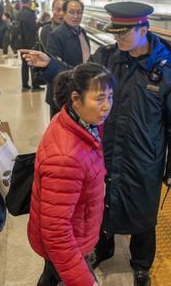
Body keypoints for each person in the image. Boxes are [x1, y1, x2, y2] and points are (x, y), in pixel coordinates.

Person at [21, 2, 171, 286]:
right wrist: (50, 65)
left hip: (144, 156)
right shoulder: (107, 57)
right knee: (102, 203)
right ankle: (102, 248)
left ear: (144, 29)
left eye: (124, 32)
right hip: (107, 149)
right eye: (115, 32)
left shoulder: (169, 70)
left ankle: (141, 265)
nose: (117, 38)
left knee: (143, 211)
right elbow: (78, 77)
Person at [28, 63, 113, 286]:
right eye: (99, 99)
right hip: (69, 243)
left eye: (110, 97)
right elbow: (56, 233)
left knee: (51, 275)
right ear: (76, 99)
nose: (107, 106)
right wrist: (86, 281)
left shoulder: (78, 122)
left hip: (76, 234)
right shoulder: (66, 157)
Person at [45, 0, 91, 117]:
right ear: (64, 13)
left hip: (79, 90)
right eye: (71, 12)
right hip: (62, 95)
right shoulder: (56, 35)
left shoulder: (82, 32)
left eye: (79, 12)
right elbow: (53, 66)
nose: (76, 16)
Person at [17, 0, 42, 92]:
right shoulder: (30, 14)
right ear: (29, 2)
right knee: (33, 63)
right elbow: (33, 28)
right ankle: (35, 85)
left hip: (21, 43)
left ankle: (25, 85)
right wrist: (39, 23)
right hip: (30, 43)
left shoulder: (19, 13)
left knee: (24, 64)